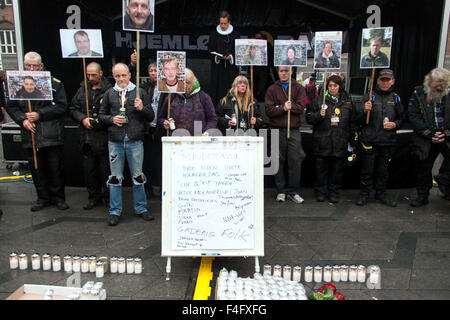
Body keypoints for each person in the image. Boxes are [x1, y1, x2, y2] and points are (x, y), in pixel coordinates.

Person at [6, 51, 69, 211]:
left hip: (51, 133)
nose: (32, 69)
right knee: (36, 168)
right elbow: (11, 107)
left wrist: (40, 114)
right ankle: (42, 197)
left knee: (55, 168)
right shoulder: (18, 83)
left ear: (41, 66)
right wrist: (23, 119)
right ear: (24, 65)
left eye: (35, 66)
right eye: (28, 66)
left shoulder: (54, 83)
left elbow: (62, 106)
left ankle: (58, 198)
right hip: (31, 134)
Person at [99, 63, 155, 226]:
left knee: (138, 176)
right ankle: (114, 211)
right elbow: (101, 116)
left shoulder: (140, 92)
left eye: (124, 75)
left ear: (130, 75)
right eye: (117, 76)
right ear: (113, 77)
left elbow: (150, 116)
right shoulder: (109, 94)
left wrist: (141, 108)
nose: (121, 78)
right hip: (115, 141)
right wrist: (111, 119)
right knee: (115, 178)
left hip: (135, 140)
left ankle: (141, 208)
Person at [355, 69, 404, 207]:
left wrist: (395, 124)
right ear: (377, 81)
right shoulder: (369, 97)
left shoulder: (396, 98)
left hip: (387, 141)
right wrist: (364, 110)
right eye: (382, 80)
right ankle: (364, 194)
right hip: (369, 141)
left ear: (392, 81)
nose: (384, 82)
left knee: (383, 171)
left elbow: (402, 118)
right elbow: (357, 119)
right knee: (367, 170)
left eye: (387, 80)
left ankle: (381, 194)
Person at [306, 74, 355, 203]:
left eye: (335, 85)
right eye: (330, 86)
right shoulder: (319, 100)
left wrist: (352, 141)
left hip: (340, 141)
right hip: (322, 141)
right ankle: (320, 191)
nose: (332, 88)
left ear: (340, 87)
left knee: (337, 171)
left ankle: (334, 192)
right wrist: (319, 115)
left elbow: (353, 121)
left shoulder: (347, 101)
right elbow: (309, 118)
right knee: (321, 170)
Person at [69, 62, 112, 210]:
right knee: (89, 171)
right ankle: (93, 197)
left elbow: (113, 111)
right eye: (88, 74)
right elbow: (72, 108)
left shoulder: (109, 90)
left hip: (103, 136)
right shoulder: (82, 89)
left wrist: (98, 121)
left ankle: (107, 197)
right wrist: (82, 118)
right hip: (86, 137)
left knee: (105, 171)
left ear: (100, 73)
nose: (90, 77)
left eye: (93, 74)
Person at [407, 67, 450, 207]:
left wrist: (446, 132)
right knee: (424, 168)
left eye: (443, 83)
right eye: (438, 83)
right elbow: (413, 115)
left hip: (446, 136)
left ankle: (446, 188)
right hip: (426, 137)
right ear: (430, 81)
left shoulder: (448, 92)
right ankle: (422, 196)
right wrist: (428, 133)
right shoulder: (419, 93)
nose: (440, 86)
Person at [265, 66, 306, 204]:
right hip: (277, 129)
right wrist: (283, 108)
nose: (284, 73)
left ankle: (293, 191)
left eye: (286, 71)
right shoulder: (272, 89)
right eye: (281, 71)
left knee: (295, 161)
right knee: (278, 161)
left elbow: (300, 108)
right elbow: (269, 110)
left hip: (293, 129)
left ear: (291, 71)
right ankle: (281, 191)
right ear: (278, 72)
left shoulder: (299, 88)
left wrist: (290, 106)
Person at [159, 68, 218, 136]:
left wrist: (207, 132)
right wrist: (164, 123)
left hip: (198, 140)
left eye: (188, 82)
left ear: (194, 82)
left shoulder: (203, 97)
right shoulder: (171, 97)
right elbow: (161, 118)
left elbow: (212, 119)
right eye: (182, 82)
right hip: (176, 140)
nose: (185, 85)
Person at [141, 62, 165, 198]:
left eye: (156, 70)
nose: (153, 73)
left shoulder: (167, 88)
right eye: (151, 71)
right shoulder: (145, 87)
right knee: (146, 162)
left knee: (160, 162)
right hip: (146, 128)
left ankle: (162, 189)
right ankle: (147, 188)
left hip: (160, 129)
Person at [208, 10, 239, 105]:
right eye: (221, 23)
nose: (222, 26)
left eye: (225, 23)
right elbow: (210, 50)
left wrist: (231, 57)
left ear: (229, 22)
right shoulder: (214, 35)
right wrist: (217, 57)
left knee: (231, 88)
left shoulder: (235, 35)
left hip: (230, 69)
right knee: (217, 90)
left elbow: (238, 51)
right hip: (218, 69)